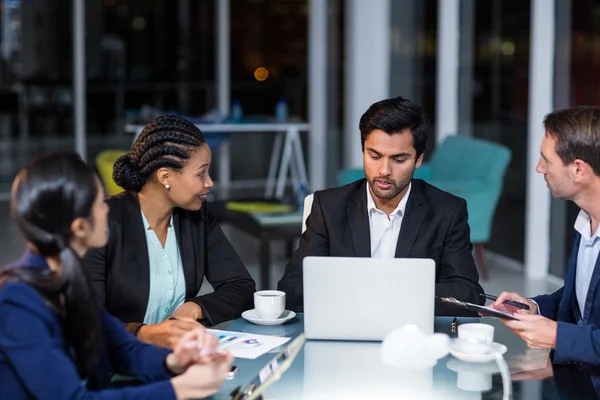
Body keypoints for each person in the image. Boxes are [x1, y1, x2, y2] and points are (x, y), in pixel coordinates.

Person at [0, 152, 233, 399]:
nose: (107, 210)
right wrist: (180, 389)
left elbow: (122, 349)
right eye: (100, 203)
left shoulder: (71, 279)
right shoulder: (16, 301)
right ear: (79, 227)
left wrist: (175, 361)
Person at [277, 96, 484, 315]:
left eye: (398, 160)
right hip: (344, 328)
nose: (384, 170)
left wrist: (386, 295)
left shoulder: (447, 211)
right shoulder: (328, 207)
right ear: (363, 151)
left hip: (413, 337)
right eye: (374, 156)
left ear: (419, 159)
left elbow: (468, 294)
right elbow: (292, 288)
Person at [84, 115, 255, 349]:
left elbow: (241, 287)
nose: (210, 182)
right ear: (165, 176)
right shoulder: (103, 222)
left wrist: (196, 308)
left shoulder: (198, 218)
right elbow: (87, 322)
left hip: (175, 360)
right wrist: (146, 334)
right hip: (114, 366)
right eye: (201, 173)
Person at [490, 106, 600, 368]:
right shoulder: (586, 223)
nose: (539, 168)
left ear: (578, 170)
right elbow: (583, 303)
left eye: (546, 160)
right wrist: (534, 308)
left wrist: (559, 337)